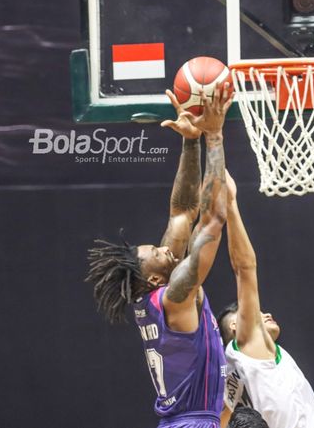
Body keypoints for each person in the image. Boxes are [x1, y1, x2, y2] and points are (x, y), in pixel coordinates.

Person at [85, 83, 233, 428]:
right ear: (154, 278)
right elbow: (212, 221)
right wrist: (214, 137)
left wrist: (190, 140)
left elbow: (182, 212)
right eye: (156, 252)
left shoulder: (155, 296)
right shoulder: (176, 296)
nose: (164, 248)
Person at [216, 172, 314, 428]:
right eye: (254, 313)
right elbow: (245, 269)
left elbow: (221, 419)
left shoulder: (236, 374)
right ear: (235, 327)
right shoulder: (249, 349)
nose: (264, 314)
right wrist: (231, 206)